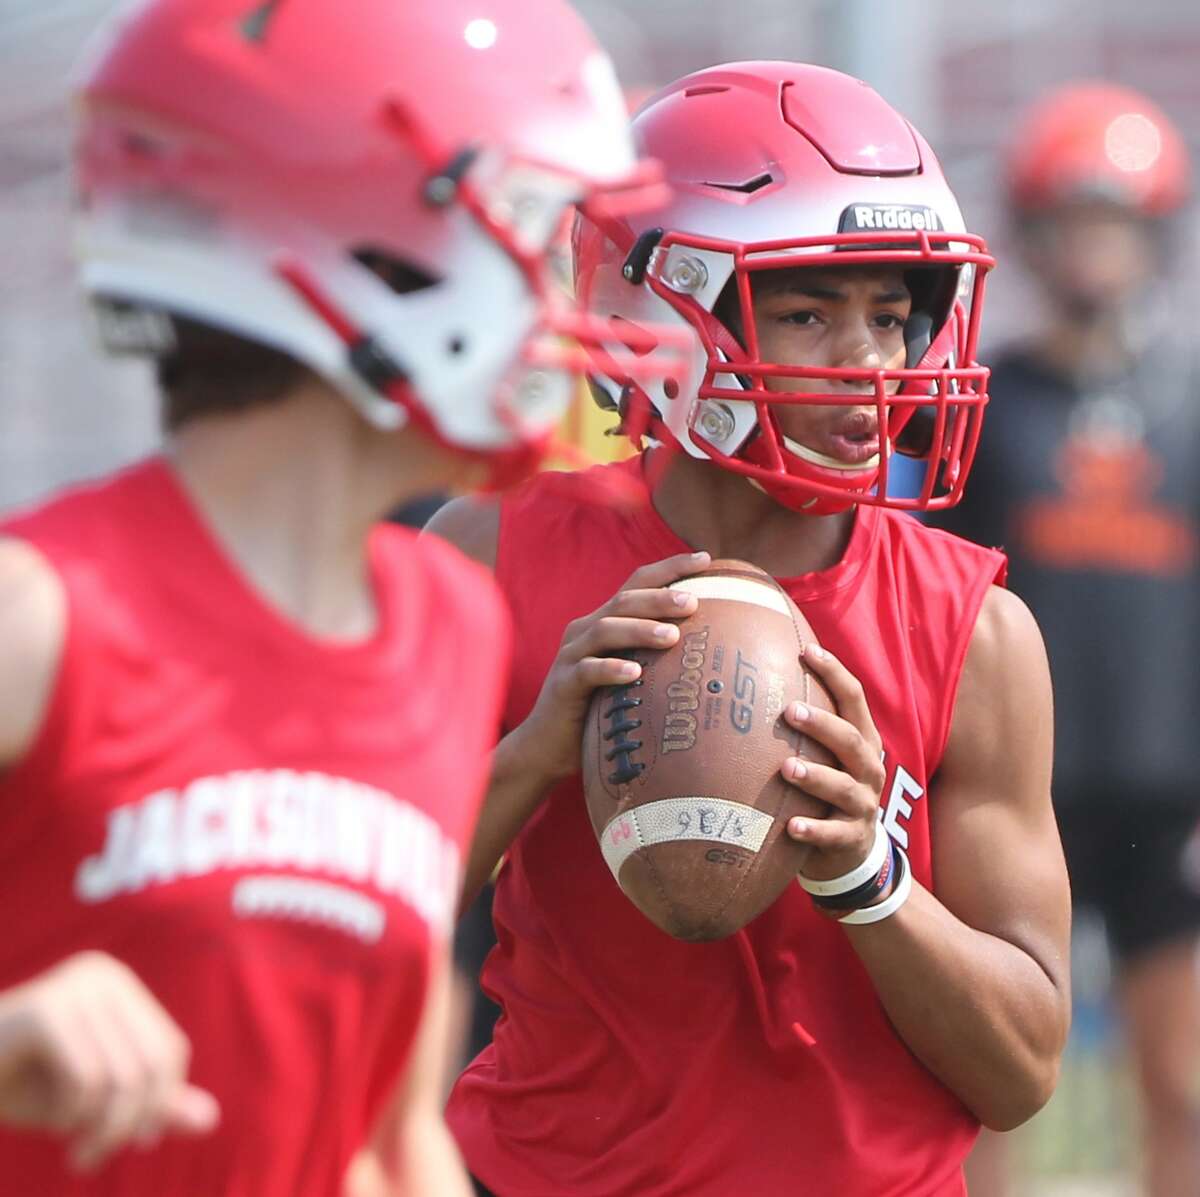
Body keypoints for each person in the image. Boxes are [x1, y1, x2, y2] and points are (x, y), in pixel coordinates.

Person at [0, 0, 677, 1192]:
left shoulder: (447, 622)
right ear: (351, 241)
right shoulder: (41, 613)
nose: (567, 307)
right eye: (522, 226)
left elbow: (386, 1139)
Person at [429, 61, 1072, 1197]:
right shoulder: (492, 555)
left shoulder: (978, 633)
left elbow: (1023, 1070)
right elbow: (349, 918)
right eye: (811, 309)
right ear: (661, 305)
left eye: (890, 315)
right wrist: (534, 754)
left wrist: (872, 878)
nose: (869, 364)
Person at [936, 82, 1200, 1197]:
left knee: (1184, 1083)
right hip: (1016, 789)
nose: (1093, 250)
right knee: (992, 1083)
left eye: (1114, 223)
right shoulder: (985, 402)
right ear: (1036, 236)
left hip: (1168, 796)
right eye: (1072, 224)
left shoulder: (1192, 406)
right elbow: (940, 592)